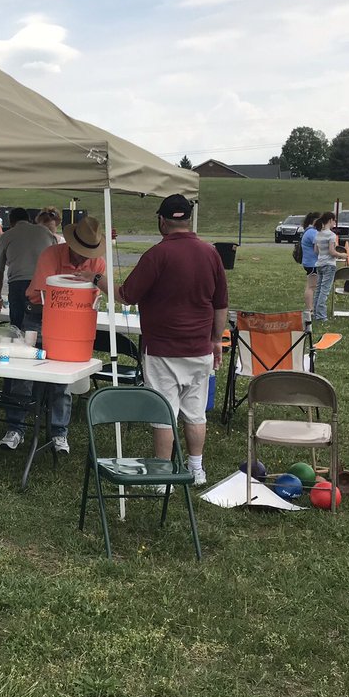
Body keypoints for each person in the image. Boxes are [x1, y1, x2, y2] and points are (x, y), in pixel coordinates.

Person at [118, 194, 228, 487]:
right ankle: (196, 469)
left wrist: (97, 280)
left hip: (162, 348)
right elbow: (221, 304)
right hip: (199, 347)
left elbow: (127, 295)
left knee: (164, 413)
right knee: (195, 412)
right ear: (188, 220)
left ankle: (162, 474)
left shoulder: (157, 254)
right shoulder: (210, 253)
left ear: (161, 221)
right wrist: (216, 340)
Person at [0, 216, 108, 455]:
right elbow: (46, 293)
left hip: (72, 323)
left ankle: (59, 431)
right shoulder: (51, 254)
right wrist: (79, 289)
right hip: (38, 316)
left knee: (62, 380)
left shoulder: (98, 263)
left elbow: (95, 295)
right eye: (80, 252)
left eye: (88, 253)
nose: (84, 258)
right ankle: (15, 427)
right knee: (24, 374)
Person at [0, 207, 56, 330]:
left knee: (18, 328)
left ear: (11, 222)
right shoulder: (45, 232)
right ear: (29, 219)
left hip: (18, 284)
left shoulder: (6, 236)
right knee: (42, 327)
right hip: (43, 285)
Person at [312, 212, 348, 323]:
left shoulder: (318, 234)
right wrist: (342, 255)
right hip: (329, 265)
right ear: (330, 220)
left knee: (318, 290)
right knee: (325, 291)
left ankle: (315, 313)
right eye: (334, 221)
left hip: (319, 264)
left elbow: (316, 251)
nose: (334, 223)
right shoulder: (331, 235)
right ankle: (321, 316)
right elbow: (332, 252)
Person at [299, 211, 321, 314]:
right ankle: (310, 309)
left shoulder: (308, 231)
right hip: (313, 263)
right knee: (311, 287)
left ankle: (310, 308)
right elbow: (318, 247)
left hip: (309, 263)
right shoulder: (313, 232)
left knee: (310, 286)